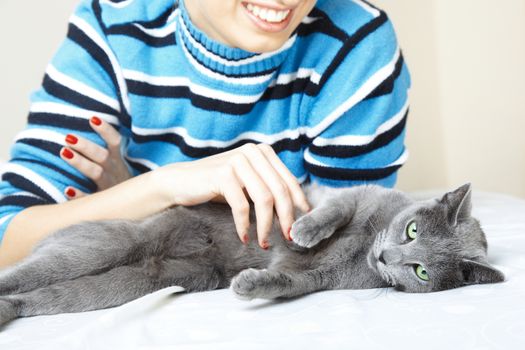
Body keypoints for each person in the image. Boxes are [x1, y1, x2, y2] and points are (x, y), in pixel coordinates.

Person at [0, 0, 410, 267]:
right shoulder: (111, 29)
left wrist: (131, 197)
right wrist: (163, 187)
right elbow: (9, 238)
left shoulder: (357, 43)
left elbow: (348, 252)